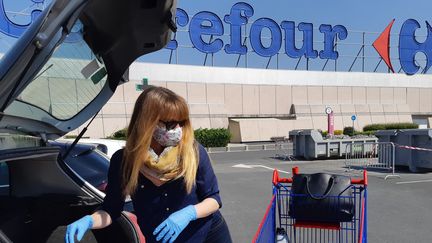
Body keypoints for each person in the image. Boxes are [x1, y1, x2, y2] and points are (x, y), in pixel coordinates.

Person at [65, 86, 232, 243]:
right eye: (171, 123)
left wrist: (189, 213)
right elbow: (111, 210)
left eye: (182, 122)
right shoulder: (124, 161)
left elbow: (213, 199)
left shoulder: (192, 151)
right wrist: (89, 220)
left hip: (207, 235)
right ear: (147, 123)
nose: (178, 129)